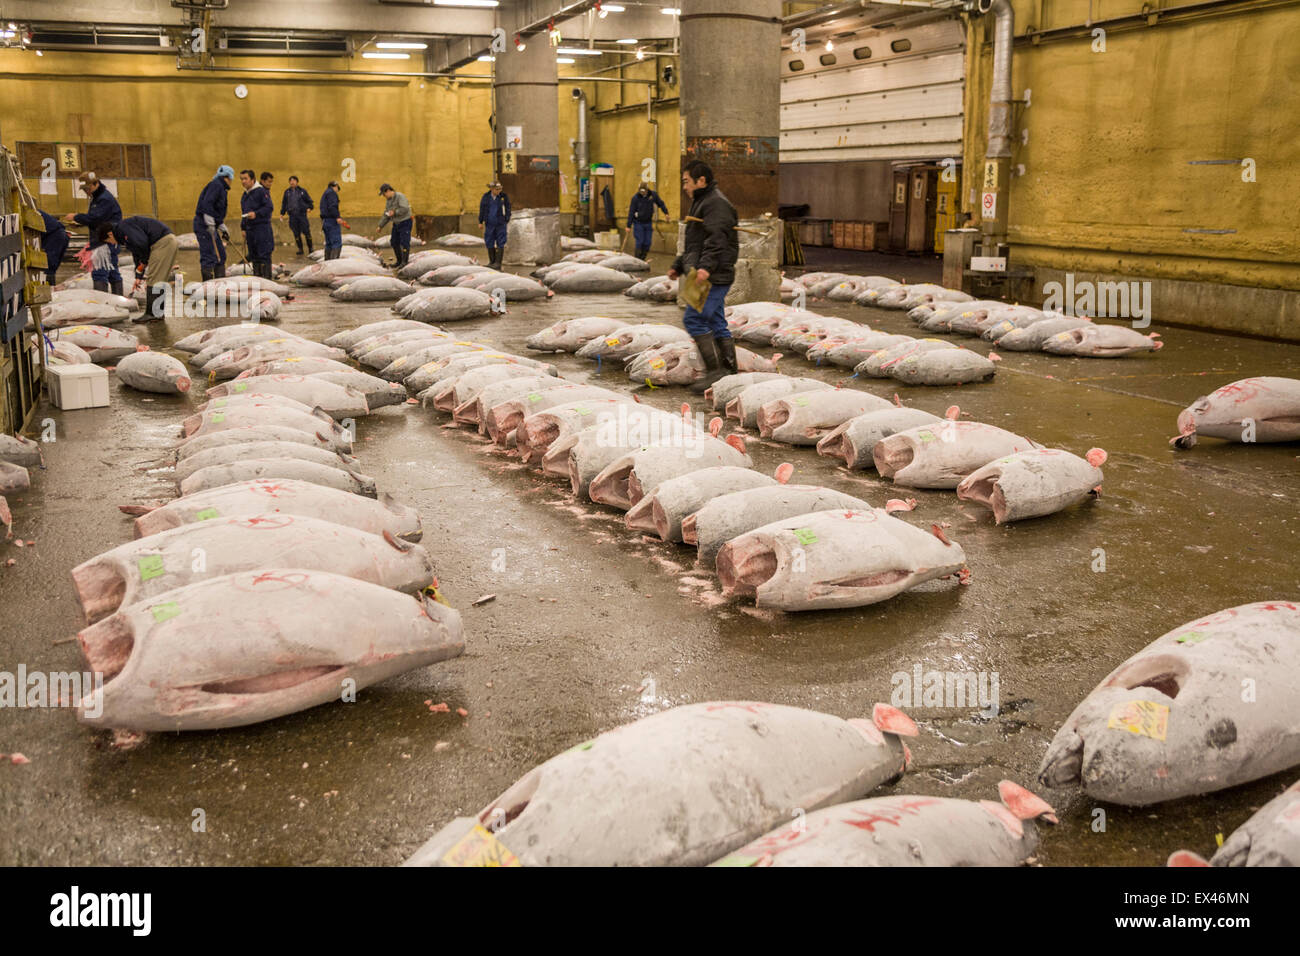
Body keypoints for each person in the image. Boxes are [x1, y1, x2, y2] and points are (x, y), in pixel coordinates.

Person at [667, 160, 739, 393]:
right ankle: (729, 370)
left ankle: (716, 371)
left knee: (694, 319)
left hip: (712, 276)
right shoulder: (702, 202)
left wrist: (705, 268)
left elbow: (716, 240)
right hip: (703, 273)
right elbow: (695, 242)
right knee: (716, 321)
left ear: (701, 181)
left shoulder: (715, 204)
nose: (684, 187)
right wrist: (679, 265)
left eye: (687, 182)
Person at [102, 217, 176, 322]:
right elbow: (137, 253)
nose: (112, 243)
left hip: (162, 242)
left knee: (154, 280)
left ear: (110, 234)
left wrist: (144, 262)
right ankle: (157, 314)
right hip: (164, 242)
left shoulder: (124, 228)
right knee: (157, 278)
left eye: (109, 240)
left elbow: (142, 244)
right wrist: (138, 276)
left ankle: (153, 314)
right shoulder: (123, 233)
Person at [62, 172, 122, 294]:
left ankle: (102, 304)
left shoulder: (104, 199)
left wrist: (76, 217)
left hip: (104, 243)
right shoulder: (98, 198)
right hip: (105, 240)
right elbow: (96, 219)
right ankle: (118, 302)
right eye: (84, 189)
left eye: (88, 188)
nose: (86, 192)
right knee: (112, 272)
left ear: (96, 184)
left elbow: (94, 218)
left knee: (99, 273)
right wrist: (81, 222)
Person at [194, 165, 234, 281]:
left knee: (220, 255)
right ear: (227, 177)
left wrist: (222, 226)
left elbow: (216, 209)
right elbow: (207, 204)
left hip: (211, 224)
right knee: (209, 255)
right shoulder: (216, 185)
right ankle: (208, 287)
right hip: (204, 225)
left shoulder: (221, 187)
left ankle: (219, 284)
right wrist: (210, 223)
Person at [238, 169, 274, 279]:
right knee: (254, 256)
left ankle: (266, 281)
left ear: (253, 180)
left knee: (263, 255)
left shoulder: (261, 191)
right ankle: (257, 279)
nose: (243, 181)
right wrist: (243, 227)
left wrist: (256, 214)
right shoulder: (245, 195)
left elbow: (269, 207)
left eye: (245, 179)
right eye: (241, 179)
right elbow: (244, 212)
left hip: (261, 228)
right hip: (250, 230)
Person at [627, 182, 668, 260]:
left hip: (648, 222)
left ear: (647, 190)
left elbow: (661, 203)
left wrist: (666, 213)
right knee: (640, 241)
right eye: (641, 191)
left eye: (644, 191)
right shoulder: (635, 198)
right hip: (638, 223)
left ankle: (642, 259)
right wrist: (628, 225)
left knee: (648, 243)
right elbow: (631, 212)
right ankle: (637, 260)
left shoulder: (653, 195)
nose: (642, 193)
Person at [376, 183, 413, 268]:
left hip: (405, 222)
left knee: (404, 242)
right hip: (396, 223)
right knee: (394, 242)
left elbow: (405, 208)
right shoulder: (388, 201)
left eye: (384, 194)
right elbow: (387, 214)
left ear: (388, 191)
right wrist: (380, 226)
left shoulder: (400, 196)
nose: (384, 196)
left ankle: (404, 262)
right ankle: (399, 261)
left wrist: (395, 212)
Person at [478, 181, 511, 269]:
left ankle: (498, 263)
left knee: (501, 241)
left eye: (500, 189)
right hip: (489, 223)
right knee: (489, 241)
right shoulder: (486, 197)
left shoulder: (503, 197)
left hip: (500, 223)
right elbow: (482, 209)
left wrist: (507, 218)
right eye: (497, 189)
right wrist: (480, 221)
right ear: (491, 189)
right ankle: (492, 262)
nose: (499, 191)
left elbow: (508, 207)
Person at [280, 175, 315, 256]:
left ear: (297, 182)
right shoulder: (287, 192)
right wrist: (282, 213)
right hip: (292, 216)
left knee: (306, 232)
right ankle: (300, 249)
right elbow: (284, 203)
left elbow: (310, 202)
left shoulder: (302, 191)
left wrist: (310, 208)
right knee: (296, 233)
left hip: (302, 215)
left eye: (294, 180)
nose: (292, 182)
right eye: (290, 181)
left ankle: (310, 248)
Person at [319, 181, 350, 261]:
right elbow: (332, 206)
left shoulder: (325, 194)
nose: (337, 191)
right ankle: (334, 264)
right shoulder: (331, 193)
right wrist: (337, 217)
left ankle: (327, 263)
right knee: (336, 243)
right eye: (337, 189)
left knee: (329, 243)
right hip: (332, 221)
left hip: (325, 221)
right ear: (335, 186)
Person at [38, 211, 68, 288]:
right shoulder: (35, 211)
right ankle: (50, 288)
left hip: (55, 236)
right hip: (60, 234)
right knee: (50, 267)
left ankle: (49, 290)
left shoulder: (31, 213)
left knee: (47, 267)